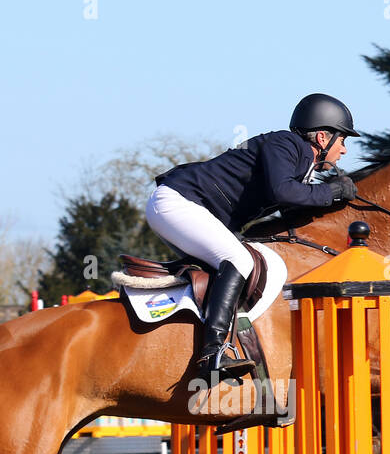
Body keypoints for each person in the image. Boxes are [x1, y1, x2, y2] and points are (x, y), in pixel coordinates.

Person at [147, 93, 360, 386]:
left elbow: (291, 202)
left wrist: (331, 195)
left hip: (185, 205)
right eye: (343, 140)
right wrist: (332, 193)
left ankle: (191, 341)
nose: (344, 150)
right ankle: (214, 353)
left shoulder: (297, 159)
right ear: (323, 137)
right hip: (177, 201)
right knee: (237, 259)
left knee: (228, 264)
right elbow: (283, 193)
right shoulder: (285, 144)